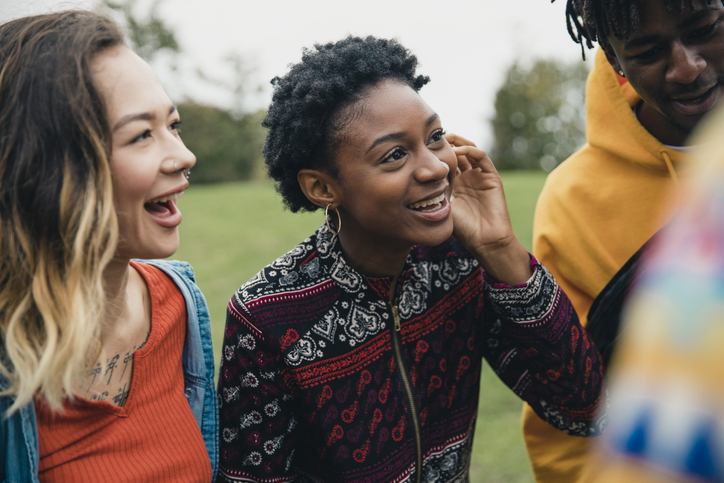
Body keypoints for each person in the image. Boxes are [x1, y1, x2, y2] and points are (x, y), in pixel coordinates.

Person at [216, 36, 605, 483]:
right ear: (323, 188)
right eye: (395, 154)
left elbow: (584, 409)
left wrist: (500, 249)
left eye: (435, 137)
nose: (436, 168)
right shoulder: (266, 315)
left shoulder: (461, 264)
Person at [0, 11, 218, 482]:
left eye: (173, 125)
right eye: (142, 134)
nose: (184, 156)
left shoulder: (178, 305)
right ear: (53, 170)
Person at [523, 0, 724, 481]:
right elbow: (568, 416)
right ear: (616, 63)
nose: (687, 67)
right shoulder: (573, 202)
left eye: (705, 29)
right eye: (649, 51)